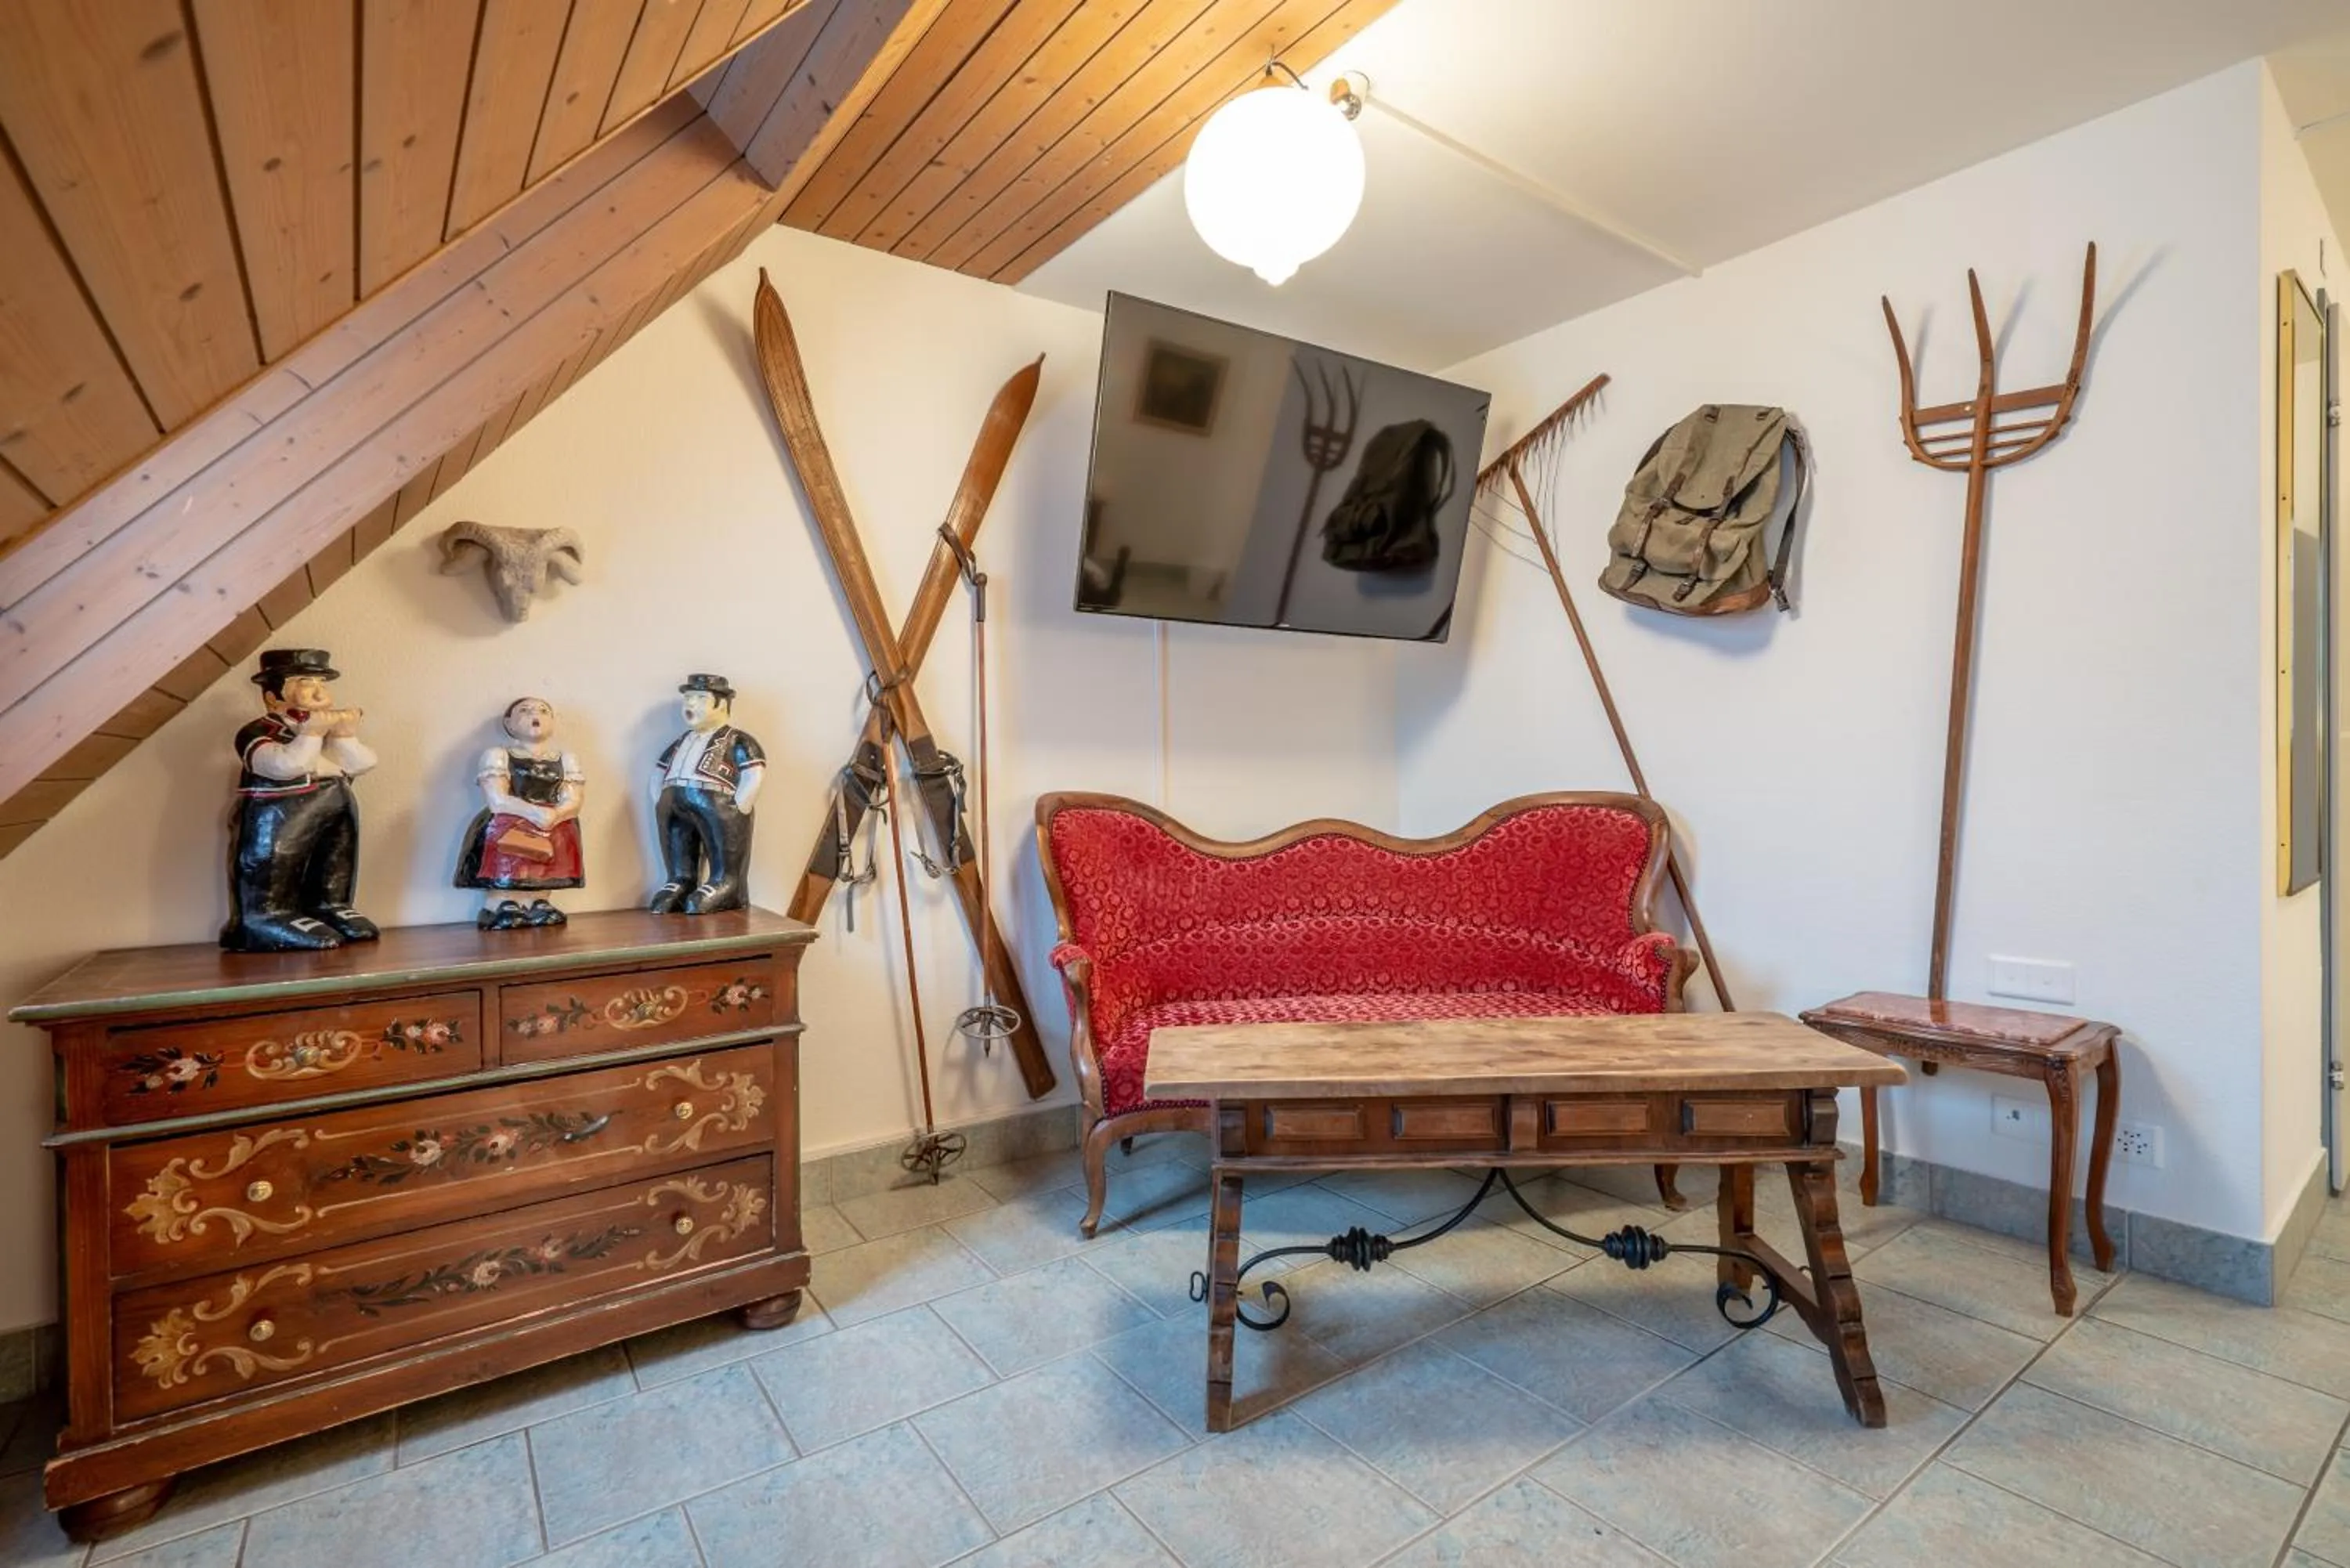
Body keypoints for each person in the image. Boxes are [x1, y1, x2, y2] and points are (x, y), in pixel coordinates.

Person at [222, 649, 381, 953]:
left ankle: (329, 904)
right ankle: (264, 917)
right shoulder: (258, 731)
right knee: (279, 864)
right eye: (305, 681)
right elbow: (289, 765)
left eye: (322, 681)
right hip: (278, 815)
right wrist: (312, 733)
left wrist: (345, 735)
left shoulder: (323, 727)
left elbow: (361, 763)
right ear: (273, 697)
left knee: (334, 860)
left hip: (332, 809)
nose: (319, 690)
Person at [455, 696, 586, 929]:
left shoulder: (566, 759)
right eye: (525, 711)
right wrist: (535, 813)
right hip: (512, 819)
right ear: (509, 723)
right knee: (510, 858)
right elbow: (497, 799)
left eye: (543, 711)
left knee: (547, 861)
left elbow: (574, 798)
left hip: (553, 823)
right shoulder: (499, 755)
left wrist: (556, 814)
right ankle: (502, 903)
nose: (535, 715)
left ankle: (539, 901)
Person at [648, 674, 765, 915]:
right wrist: (659, 798)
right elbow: (659, 769)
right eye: (687, 699)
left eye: (700, 698)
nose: (690, 705)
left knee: (722, 847)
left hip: (718, 803)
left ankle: (727, 884)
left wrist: (741, 804)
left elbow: (754, 771)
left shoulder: (736, 739)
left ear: (721, 704)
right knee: (678, 843)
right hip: (674, 804)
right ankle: (681, 880)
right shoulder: (682, 741)